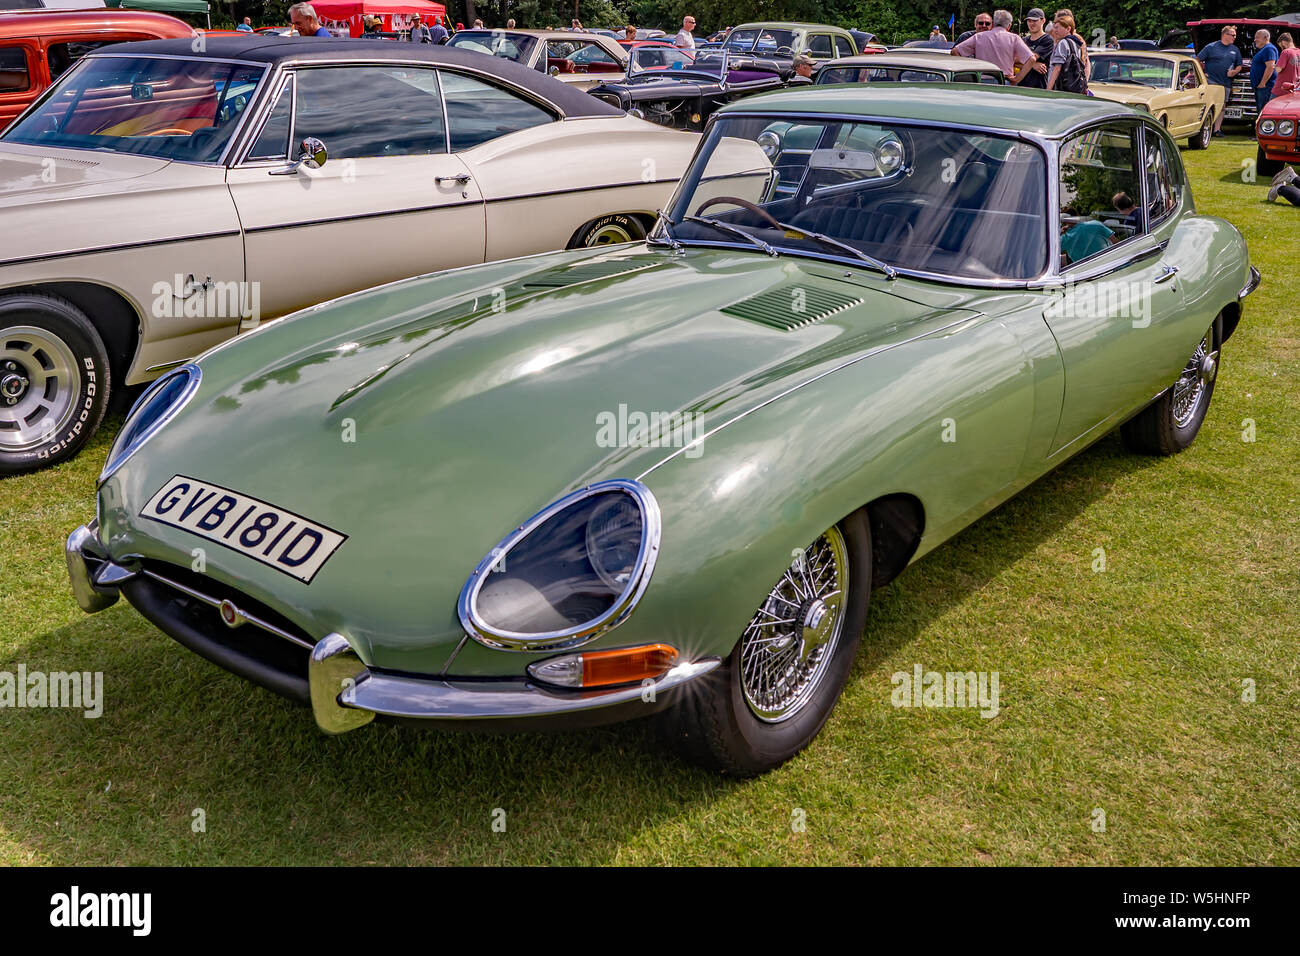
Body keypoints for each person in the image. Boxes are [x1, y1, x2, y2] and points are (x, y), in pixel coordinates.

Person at [952, 10, 1036, 84]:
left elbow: (955, 51)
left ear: (993, 23)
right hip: (1004, 80)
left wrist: (969, 73)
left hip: (980, 80)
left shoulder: (979, 37)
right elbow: (1031, 59)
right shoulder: (1014, 38)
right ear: (1009, 26)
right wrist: (1017, 79)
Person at [1198, 25, 1243, 136]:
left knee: (1222, 107)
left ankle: (1216, 130)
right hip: (1211, 82)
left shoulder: (1235, 49)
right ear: (1224, 35)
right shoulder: (1211, 47)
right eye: (1232, 35)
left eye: (1235, 35)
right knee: (1208, 106)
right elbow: (1198, 60)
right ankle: (1203, 129)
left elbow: (1239, 66)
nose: (1234, 37)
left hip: (1225, 83)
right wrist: (1202, 74)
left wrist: (1234, 72)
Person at [1047, 13, 1087, 93]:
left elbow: (1057, 68)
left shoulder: (1063, 43)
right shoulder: (1076, 43)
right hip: (1073, 87)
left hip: (1061, 88)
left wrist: (1048, 90)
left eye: (1057, 27)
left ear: (1068, 29)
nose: (1055, 30)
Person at [1018, 8, 1053, 89]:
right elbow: (1012, 59)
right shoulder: (1023, 40)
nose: (1031, 24)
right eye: (1029, 21)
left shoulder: (1047, 40)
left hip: (1039, 87)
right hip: (1021, 86)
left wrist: (1021, 61)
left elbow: (1031, 57)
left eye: (1034, 21)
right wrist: (1033, 64)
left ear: (1043, 21)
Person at [1251, 29, 1279, 121]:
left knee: (1264, 111)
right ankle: (1259, 134)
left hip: (1266, 87)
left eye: (1257, 37)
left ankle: (1263, 134)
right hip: (1261, 87)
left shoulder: (1269, 49)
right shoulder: (1264, 49)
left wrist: (1263, 83)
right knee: (1260, 111)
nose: (1255, 40)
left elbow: (1270, 66)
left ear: (1266, 38)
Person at [1274, 33, 1299, 97]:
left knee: (1268, 106)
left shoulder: (1286, 52)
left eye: (1281, 46)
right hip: (1294, 89)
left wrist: (1274, 66)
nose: (1282, 48)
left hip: (1280, 90)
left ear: (1283, 42)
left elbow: (1278, 69)